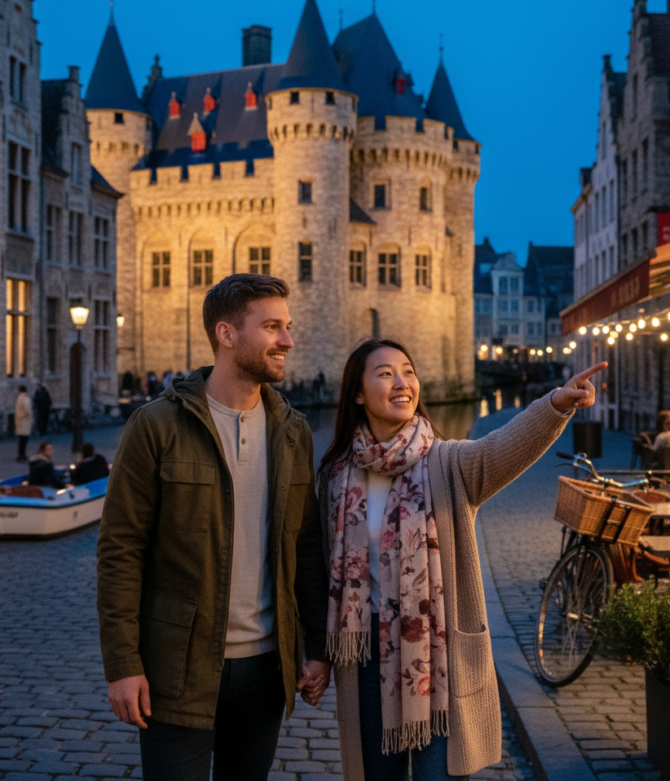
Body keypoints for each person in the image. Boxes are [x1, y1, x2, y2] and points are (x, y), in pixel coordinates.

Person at [316, 337, 605, 781]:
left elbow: (504, 446)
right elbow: (319, 571)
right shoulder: (337, 475)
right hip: (367, 657)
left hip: (439, 658)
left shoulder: (448, 463)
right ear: (357, 393)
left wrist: (555, 405)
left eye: (409, 371)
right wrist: (314, 652)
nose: (402, 382)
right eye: (386, 373)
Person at [97, 274, 330, 781]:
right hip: (176, 668)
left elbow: (305, 545)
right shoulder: (156, 425)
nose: (287, 341)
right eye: (272, 327)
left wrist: (317, 647)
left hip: (267, 669)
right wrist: (122, 664)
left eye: (287, 327)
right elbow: (121, 550)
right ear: (226, 334)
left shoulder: (292, 431)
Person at [14, 385, 33, 461]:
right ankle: (22, 454)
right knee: (24, 439)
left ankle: (21, 453)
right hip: (25, 421)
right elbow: (27, 410)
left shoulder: (19, 398)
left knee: (21, 439)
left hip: (19, 421)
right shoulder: (25, 399)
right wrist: (31, 419)